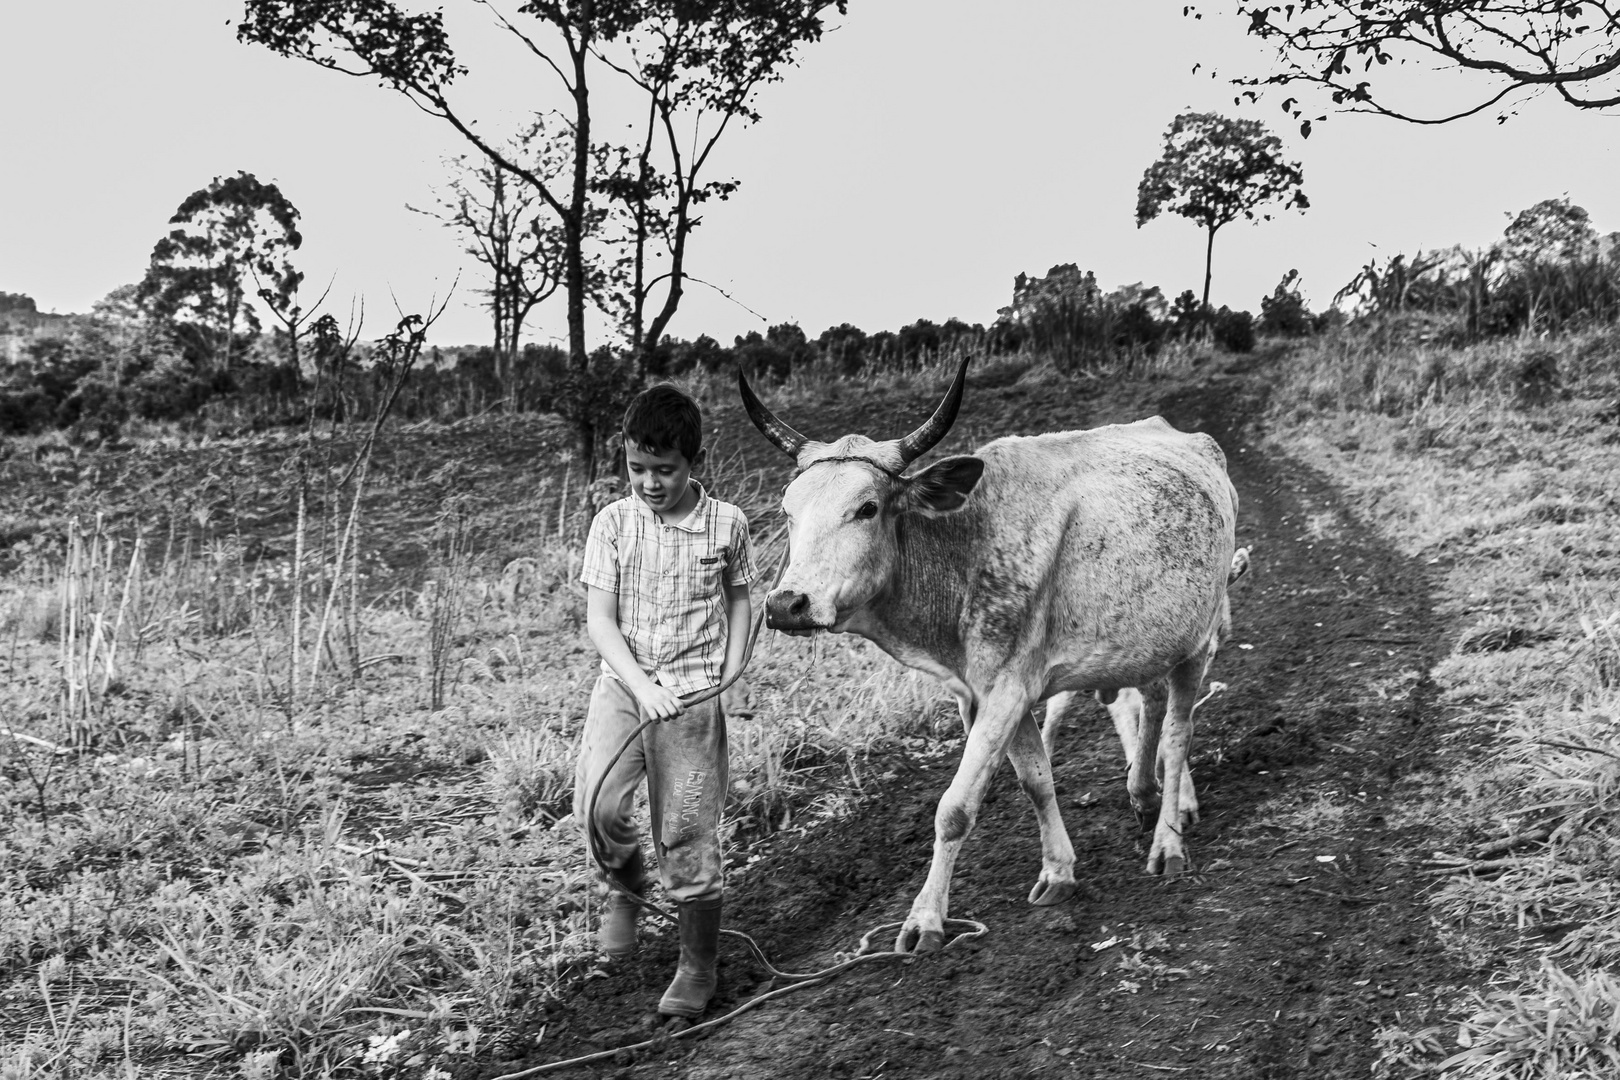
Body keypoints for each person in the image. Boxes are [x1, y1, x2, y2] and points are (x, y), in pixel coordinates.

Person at [573, 383, 755, 1019]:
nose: (650, 482)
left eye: (665, 469)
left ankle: (697, 964)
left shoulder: (727, 522)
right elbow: (600, 619)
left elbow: (737, 594)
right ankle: (626, 884)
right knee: (596, 802)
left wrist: (733, 663)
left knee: (685, 830)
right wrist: (641, 685)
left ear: (693, 462)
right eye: (637, 468)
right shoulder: (613, 523)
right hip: (626, 686)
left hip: (694, 697)